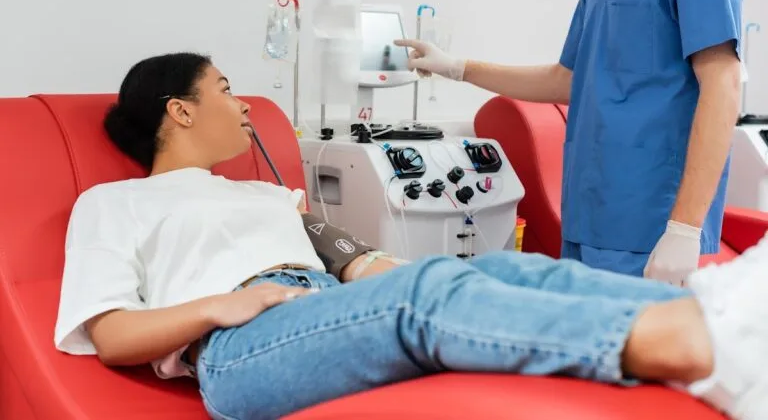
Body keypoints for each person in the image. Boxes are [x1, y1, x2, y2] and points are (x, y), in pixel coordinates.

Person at [54, 53, 766, 420]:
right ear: (179, 110)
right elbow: (112, 333)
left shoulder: (263, 192)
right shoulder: (114, 202)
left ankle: (709, 312)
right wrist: (218, 307)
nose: (242, 105)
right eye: (225, 87)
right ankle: (696, 347)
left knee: (502, 270)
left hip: (317, 310)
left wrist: (376, 266)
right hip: (241, 352)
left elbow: (348, 256)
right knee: (429, 291)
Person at [395, 0, 747, 284]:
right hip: (589, 213)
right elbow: (568, 80)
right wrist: (459, 68)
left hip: (649, 222)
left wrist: (684, 229)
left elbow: (723, 81)